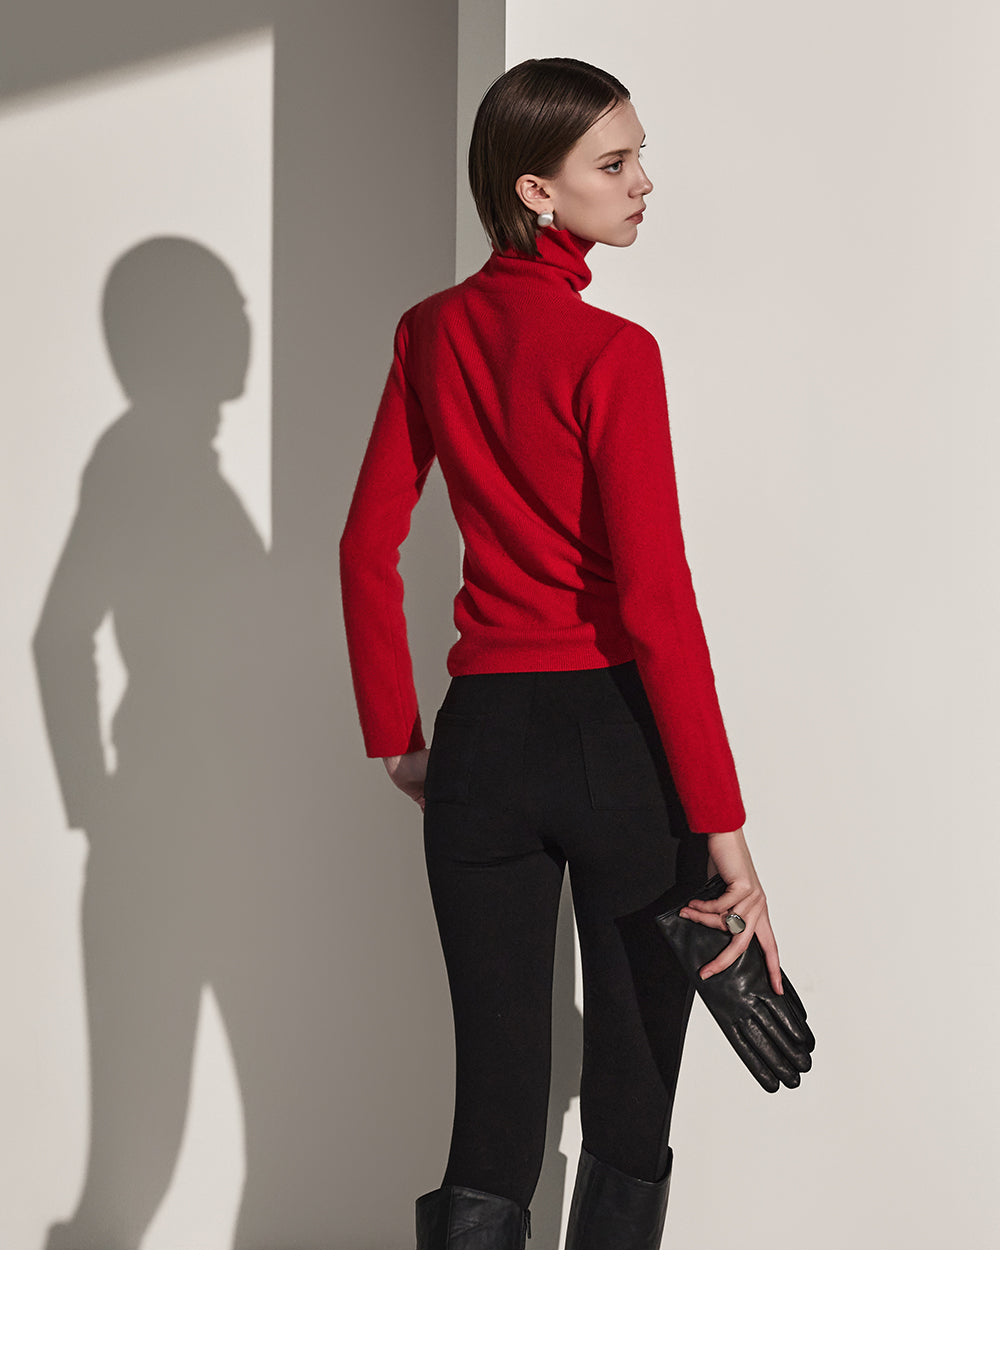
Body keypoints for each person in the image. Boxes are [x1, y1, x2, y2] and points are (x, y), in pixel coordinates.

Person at [338, 56, 784, 1250]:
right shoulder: (612, 353)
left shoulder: (429, 333)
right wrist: (726, 831)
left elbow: (364, 545)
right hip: (616, 746)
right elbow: (655, 604)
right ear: (537, 190)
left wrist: (400, 739)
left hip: (481, 742)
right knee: (630, 1103)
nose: (643, 183)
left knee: (493, 1108)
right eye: (614, 162)